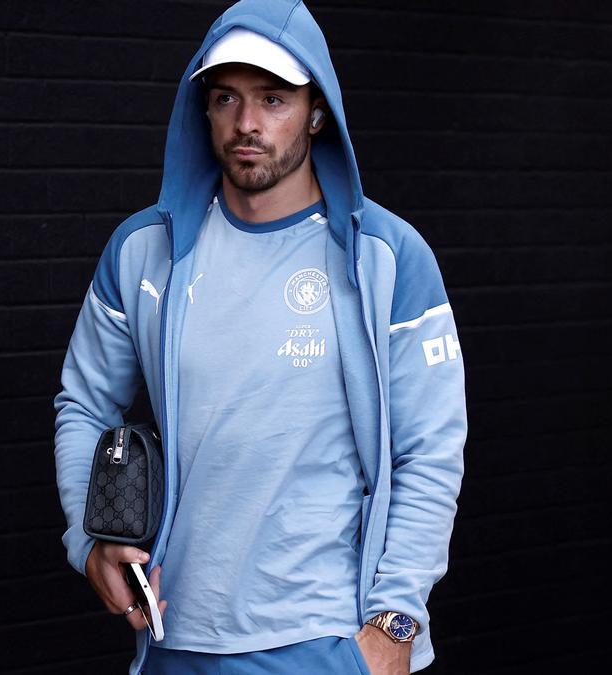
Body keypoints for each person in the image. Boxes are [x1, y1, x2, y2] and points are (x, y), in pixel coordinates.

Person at [52, 1, 467, 673]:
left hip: (327, 643)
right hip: (177, 640)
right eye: (227, 98)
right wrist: (91, 538)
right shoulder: (145, 251)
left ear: (317, 110)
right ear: (204, 108)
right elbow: (83, 403)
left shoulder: (386, 257)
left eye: (273, 99)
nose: (247, 124)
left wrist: (394, 621)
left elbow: (432, 450)